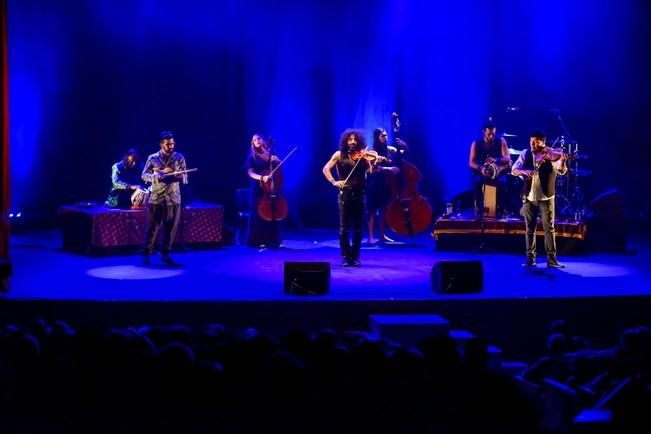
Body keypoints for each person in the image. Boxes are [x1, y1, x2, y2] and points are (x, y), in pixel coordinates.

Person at [323, 129, 381, 266]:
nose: (353, 142)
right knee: (344, 228)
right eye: (350, 139)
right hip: (345, 194)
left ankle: (355, 257)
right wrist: (334, 182)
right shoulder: (339, 155)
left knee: (358, 228)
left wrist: (376, 163)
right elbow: (325, 169)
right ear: (345, 141)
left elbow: (370, 171)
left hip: (360, 194)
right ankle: (345, 256)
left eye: (355, 139)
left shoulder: (363, 156)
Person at [512, 130, 568, 268]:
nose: (533, 144)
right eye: (531, 141)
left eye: (536, 141)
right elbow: (514, 169)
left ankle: (552, 260)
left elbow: (561, 170)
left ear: (543, 142)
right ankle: (530, 259)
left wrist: (563, 161)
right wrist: (524, 171)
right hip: (529, 197)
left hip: (546, 197)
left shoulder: (551, 155)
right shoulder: (525, 153)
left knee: (549, 229)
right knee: (530, 229)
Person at [141, 131, 188, 266]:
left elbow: (185, 177)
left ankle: (165, 255)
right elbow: (144, 175)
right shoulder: (152, 158)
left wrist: (181, 176)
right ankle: (146, 254)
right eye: (168, 144)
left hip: (174, 199)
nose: (171, 146)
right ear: (162, 144)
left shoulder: (179, 157)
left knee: (171, 229)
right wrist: (156, 177)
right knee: (152, 228)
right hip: (157, 198)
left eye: (173, 143)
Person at [366, 128, 402, 245]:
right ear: (377, 137)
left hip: (386, 184)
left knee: (383, 210)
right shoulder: (372, 152)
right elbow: (374, 169)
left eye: (386, 136)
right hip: (374, 184)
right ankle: (371, 237)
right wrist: (389, 169)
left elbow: (402, 153)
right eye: (383, 136)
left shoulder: (389, 149)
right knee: (372, 210)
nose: (385, 138)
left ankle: (382, 236)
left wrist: (404, 145)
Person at [245, 134, 282, 248]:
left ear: (263, 140)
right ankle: (258, 240)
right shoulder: (252, 156)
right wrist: (262, 178)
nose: (256, 141)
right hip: (258, 188)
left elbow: (279, 168)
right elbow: (250, 173)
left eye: (258, 138)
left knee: (272, 213)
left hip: (271, 188)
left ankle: (273, 239)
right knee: (258, 215)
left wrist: (277, 160)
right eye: (254, 140)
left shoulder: (271, 154)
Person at [468, 122, 511, 217]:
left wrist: (496, 160)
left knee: (502, 183)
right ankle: (479, 209)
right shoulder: (476, 143)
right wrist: (481, 168)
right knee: (477, 182)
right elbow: (471, 162)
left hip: (498, 171)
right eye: (489, 134)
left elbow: (508, 159)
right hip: (482, 171)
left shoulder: (501, 141)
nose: (491, 136)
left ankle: (501, 209)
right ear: (484, 132)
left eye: (493, 134)